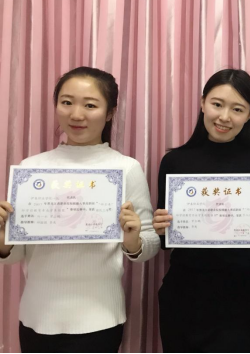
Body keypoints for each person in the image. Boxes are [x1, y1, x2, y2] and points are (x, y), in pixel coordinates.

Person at [0, 66, 160, 353]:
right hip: (37, 316)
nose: (76, 114)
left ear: (109, 113)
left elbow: (149, 245)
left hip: (99, 318)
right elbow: (16, 255)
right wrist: (3, 236)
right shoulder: (31, 169)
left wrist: (133, 238)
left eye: (90, 105)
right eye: (67, 102)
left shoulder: (125, 168)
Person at [153, 69, 250, 353]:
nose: (224, 117)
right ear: (202, 103)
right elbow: (165, 242)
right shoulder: (174, 162)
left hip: (237, 300)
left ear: (249, 115)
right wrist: (160, 226)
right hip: (181, 296)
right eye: (217, 104)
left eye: (237, 109)